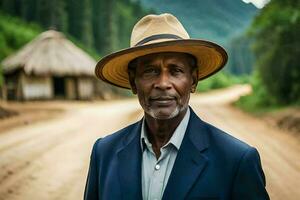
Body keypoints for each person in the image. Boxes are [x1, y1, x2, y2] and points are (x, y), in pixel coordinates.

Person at [84, 13, 269, 200]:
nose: (163, 83)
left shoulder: (236, 160)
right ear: (133, 82)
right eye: (150, 71)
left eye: (176, 71)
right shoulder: (104, 153)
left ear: (193, 80)